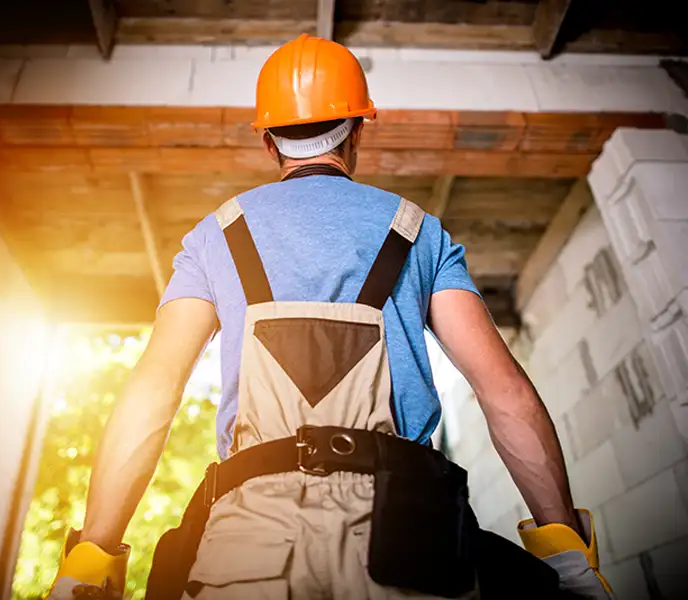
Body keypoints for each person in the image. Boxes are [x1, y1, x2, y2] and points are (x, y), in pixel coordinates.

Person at [48, 34, 615, 600]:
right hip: (410, 540)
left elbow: (154, 390)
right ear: (358, 132)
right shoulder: (417, 232)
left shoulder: (216, 238)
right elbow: (504, 392)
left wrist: (94, 553)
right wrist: (564, 551)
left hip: (249, 545)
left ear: (270, 143)